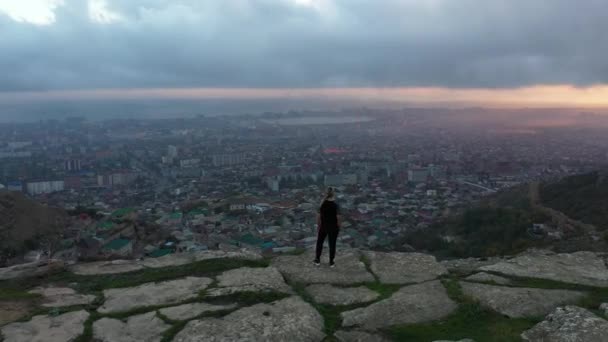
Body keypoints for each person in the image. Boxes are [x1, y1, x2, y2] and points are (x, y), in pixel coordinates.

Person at [314, 187, 340, 267]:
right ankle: (331, 262)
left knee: (319, 242)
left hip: (323, 226)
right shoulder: (336, 205)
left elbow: (318, 216)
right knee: (332, 244)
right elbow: (338, 217)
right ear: (333, 194)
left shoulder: (322, 204)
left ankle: (317, 260)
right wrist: (338, 226)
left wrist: (319, 225)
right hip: (333, 227)